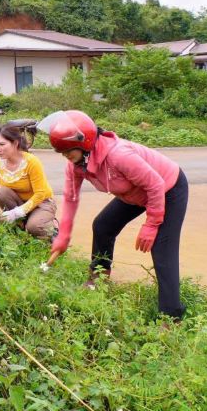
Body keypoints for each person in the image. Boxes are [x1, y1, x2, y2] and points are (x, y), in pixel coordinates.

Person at [44, 110, 188, 320]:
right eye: (62, 152)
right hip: (133, 193)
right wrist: (63, 235)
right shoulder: (77, 165)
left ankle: (171, 315)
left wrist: (152, 224)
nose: (65, 156)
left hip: (167, 188)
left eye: (68, 151)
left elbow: (155, 184)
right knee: (103, 226)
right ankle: (98, 278)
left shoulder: (118, 155)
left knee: (161, 248)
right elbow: (71, 198)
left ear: (84, 143)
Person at [0, 124, 56, 240]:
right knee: (2, 192)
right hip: (19, 202)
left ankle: (51, 230)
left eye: (2, 144)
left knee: (34, 227)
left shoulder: (31, 162)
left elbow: (41, 193)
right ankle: (20, 229)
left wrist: (17, 212)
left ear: (15, 143)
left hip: (41, 203)